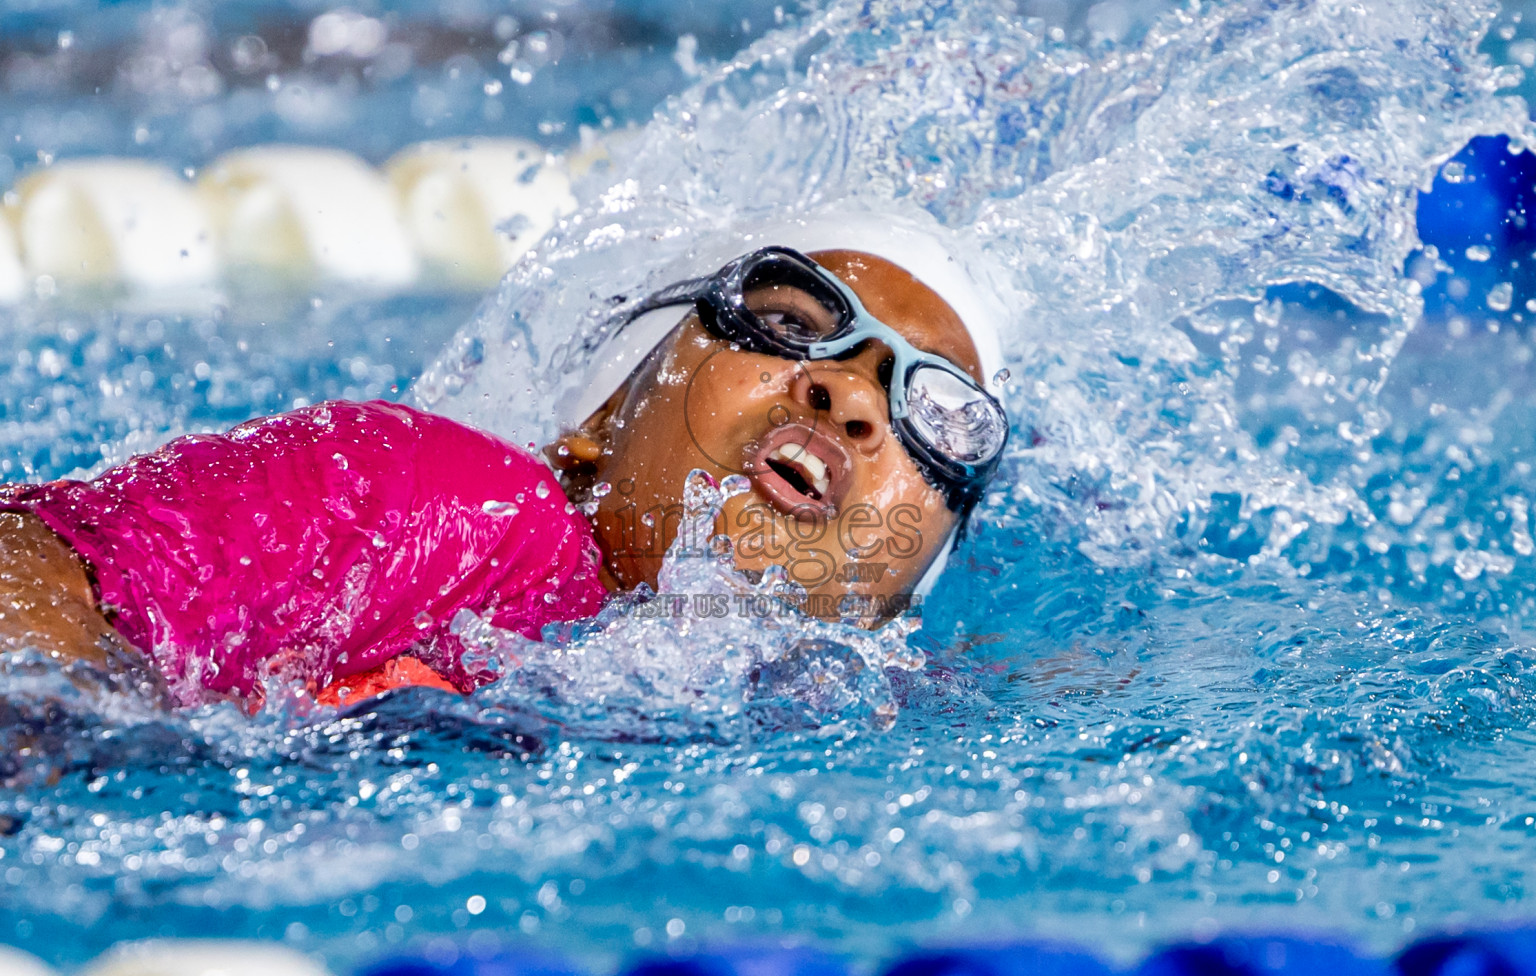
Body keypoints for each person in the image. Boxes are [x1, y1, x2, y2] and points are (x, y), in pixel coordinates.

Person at [0, 209, 1010, 709]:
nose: (849, 397)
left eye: (936, 413)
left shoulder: (821, 723)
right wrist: (85, 739)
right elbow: (23, 567)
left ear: (903, 591)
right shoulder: (455, 500)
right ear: (601, 413)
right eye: (788, 320)